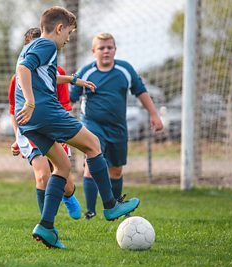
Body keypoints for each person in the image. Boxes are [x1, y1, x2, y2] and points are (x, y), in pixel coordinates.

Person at [15, 6, 140, 249]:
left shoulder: (30, 46)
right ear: (59, 28)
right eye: (68, 34)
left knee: (61, 166)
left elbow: (42, 75)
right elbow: (23, 70)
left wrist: (72, 79)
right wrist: (31, 101)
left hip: (29, 121)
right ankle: (111, 205)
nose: (68, 39)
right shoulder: (47, 45)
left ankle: (46, 227)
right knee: (93, 144)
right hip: (43, 111)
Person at [70, 32, 163, 220]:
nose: (106, 51)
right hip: (92, 124)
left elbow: (141, 92)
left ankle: (116, 206)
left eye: (109, 47)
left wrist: (154, 114)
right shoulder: (86, 72)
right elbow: (70, 98)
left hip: (118, 127)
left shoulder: (125, 70)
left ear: (115, 49)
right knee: (91, 163)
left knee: (116, 169)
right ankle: (91, 211)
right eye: (101, 48)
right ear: (93, 51)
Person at [9, 27, 81, 221]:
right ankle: (47, 224)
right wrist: (17, 138)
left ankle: (69, 195)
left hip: (53, 126)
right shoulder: (18, 77)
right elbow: (14, 112)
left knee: (65, 181)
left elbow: (65, 106)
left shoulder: (57, 73)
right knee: (43, 175)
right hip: (30, 129)